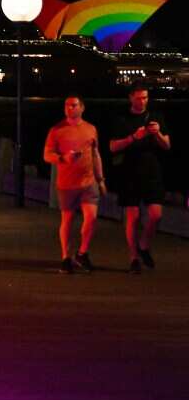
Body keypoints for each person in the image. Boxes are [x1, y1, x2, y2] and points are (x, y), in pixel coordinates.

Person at [108, 84, 171, 274]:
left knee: (156, 214)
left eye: (145, 98)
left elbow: (167, 145)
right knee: (132, 216)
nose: (142, 101)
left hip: (152, 170)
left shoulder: (156, 117)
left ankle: (144, 245)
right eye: (139, 98)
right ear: (131, 98)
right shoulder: (121, 119)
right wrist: (134, 137)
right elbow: (113, 147)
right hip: (129, 171)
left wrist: (157, 133)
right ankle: (133, 257)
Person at [43, 96, 105, 274]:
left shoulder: (91, 129)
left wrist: (101, 180)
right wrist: (63, 158)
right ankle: (65, 257)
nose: (69, 108)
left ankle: (82, 252)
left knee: (91, 217)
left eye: (73, 105)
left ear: (82, 107)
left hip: (88, 182)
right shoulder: (56, 130)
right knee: (67, 220)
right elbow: (47, 155)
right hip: (67, 183)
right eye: (67, 105)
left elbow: (95, 154)